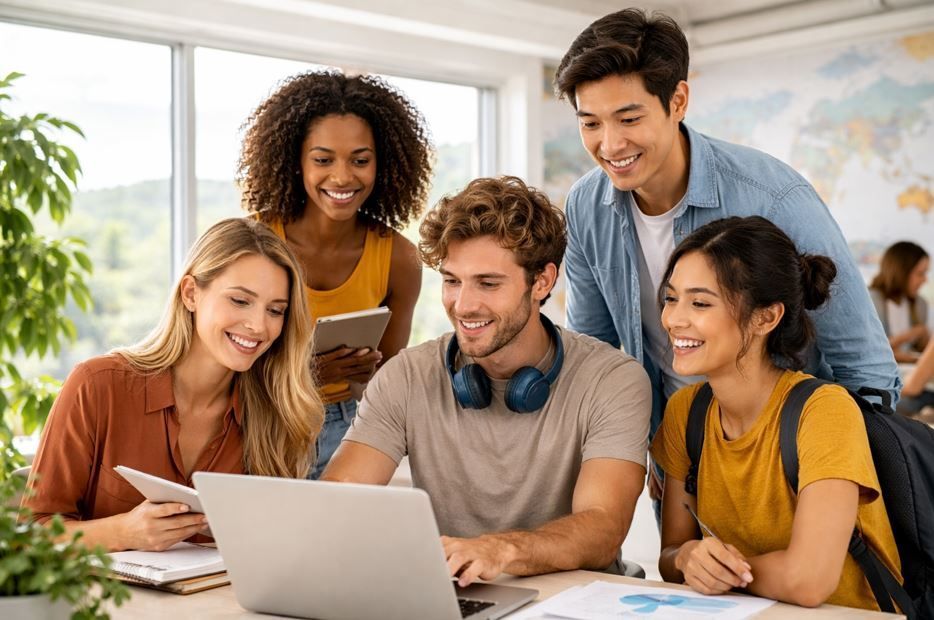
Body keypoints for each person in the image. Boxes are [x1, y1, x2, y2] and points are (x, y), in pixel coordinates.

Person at [553, 8, 900, 503]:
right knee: (686, 574)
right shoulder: (587, 206)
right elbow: (600, 352)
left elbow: (864, 364)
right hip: (688, 454)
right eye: (590, 123)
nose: (610, 144)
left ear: (678, 101)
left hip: (796, 461)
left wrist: (840, 483)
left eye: (629, 118)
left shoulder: (773, 197)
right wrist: (644, 447)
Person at [322, 176, 651, 586]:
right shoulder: (406, 376)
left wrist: (501, 550)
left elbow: (603, 528)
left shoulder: (612, 380)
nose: (463, 305)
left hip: (570, 606)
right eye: (452, 280)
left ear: (543, 282)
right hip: (456, 599)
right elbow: (337, 501)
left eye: (488, 283)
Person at [23, 218, 323, 552]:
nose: (257, 325)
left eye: (276, 310)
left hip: (221, 604)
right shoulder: (97, 386)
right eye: (240, 301)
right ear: (191, 293)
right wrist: (121, 533)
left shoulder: (276, 413)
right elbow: (30, 537)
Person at [650, 216, 901, 610]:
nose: (674, 319)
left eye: (699, 303)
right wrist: (686, 558)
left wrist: (722, 573)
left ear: (766, 317)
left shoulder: (823, 412)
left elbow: (808, 581)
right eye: (670, 297)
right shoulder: (686, 412)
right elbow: (672, 556)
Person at [238, 70, 433, 479]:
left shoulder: (398, 258)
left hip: (345, 429)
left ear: (383, 164)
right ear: (296, 161)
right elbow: (220, 363)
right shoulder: (254, 243)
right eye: (323, 160)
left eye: (360, 160)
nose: (343, 177)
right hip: (257, 422)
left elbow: (388, 384)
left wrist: (368, 371)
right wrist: (305, 376)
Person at [869, 241, 930, 364]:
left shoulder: (920, 304)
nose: (925, 279)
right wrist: (910, 335)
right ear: (901, 272)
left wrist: (924, 340)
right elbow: (870, 350)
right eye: (920, 273)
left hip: (908, 369)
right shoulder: (871, 301)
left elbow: (918, 349)